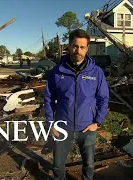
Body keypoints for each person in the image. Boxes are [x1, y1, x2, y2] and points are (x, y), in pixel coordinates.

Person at [44, 29, 109, 180]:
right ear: (69, 46)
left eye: (82, 47)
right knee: (58, 165)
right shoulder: (56, 72)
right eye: (75, 46)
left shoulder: (96, 73)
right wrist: (51, 123)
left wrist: (97, 122)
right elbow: (48, 99)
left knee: (89, 164)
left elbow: (103, 98)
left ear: (87, 49)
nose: (78, 51)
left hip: (87, 127)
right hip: (62, 127)